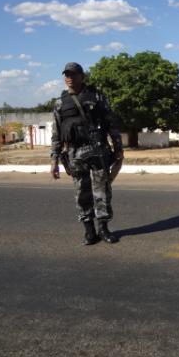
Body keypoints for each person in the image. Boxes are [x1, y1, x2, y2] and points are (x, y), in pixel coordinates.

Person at [50, 62, 124, 245]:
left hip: (98, 150)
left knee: (102, 191)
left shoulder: (97, 97)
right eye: (66, 75)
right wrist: (54, 160)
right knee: (81, 193)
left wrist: (118, 148)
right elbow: (57, 134)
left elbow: (111, 124)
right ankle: (89, 231)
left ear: (82, 76)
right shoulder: (60, 103)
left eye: (73, 74)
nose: (69, 78)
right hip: (74, 154)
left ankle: (104, 228)